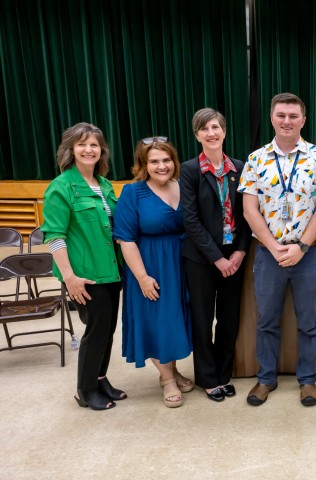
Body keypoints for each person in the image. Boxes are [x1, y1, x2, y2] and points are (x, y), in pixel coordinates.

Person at [240, 93, 316, 407]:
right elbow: (249, 210)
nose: (287, 121)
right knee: (266, 319)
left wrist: (302, 246)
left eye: (293, 116)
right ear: (272, 118)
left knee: (309, 321)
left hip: (306, 254)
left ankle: (307, 380)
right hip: (268, 254)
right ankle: (265, 378)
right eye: (281, 115)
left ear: (303, 120)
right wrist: (273, 246)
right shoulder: (256, 159)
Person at [41, 122, 124, 411]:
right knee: (96, 331)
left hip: (111, 270)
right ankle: (85, 390)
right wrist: (70, 278)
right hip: (85, 276)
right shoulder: (62, 187)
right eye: (82, 144)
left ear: (101, 150)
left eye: (94, 144)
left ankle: (101, 379)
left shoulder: (102, 184)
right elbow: (54, 236)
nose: (89, 149)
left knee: (109, 328)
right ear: (71, 150)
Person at [114, 137, 193, 408]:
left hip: (181, 263)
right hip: (150, 266)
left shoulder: (183, 186)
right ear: (144, 165)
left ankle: (172, 370)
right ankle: (167, 379)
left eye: (166, 160)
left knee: (175, 319)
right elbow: (126, 239)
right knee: (158, 320)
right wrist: (142, 277)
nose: (162, 166)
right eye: (154, 161)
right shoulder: (132, 193)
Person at [180, 108, 252, 403]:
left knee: (229, 319)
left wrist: (240, 251)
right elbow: (190, 219)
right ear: (197, 135)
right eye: (204, 128)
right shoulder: (189, 170)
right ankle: (208, 379)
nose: (211, 133)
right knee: (202, 318)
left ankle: (223, 374)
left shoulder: (239, 166)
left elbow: (249, 214)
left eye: (215, 127)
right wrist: (217, 258)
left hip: (233, 256)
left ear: (224, 131)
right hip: (202, 259)